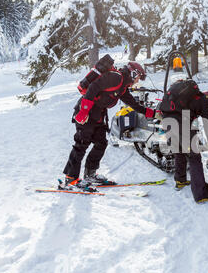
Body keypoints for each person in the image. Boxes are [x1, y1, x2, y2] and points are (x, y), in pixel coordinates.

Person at [61, 61, 158, 190]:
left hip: (98, 116)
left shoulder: (122, 87)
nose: (138, 80)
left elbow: (135, 106)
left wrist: (155, 114)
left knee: (101, 143)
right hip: (86, 114)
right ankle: (71, 179)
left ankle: (90, 174)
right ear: (134, 73)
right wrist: (84, 111)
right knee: (81, 144)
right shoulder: (115, 77)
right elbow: (93, 88)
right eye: (138, 77)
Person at [161, 81, 208, 203]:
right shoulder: (204, 100)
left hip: (167, 119)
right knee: (194, 157)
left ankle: (180, 180)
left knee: (179, 150)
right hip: (181, 120)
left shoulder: (188, 97)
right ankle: (200, 195)